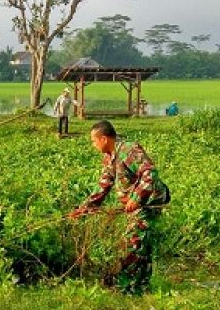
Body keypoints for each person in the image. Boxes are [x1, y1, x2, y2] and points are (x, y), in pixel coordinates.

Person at [69, 120, 170, 295]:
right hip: (137, 204)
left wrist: (136, 197)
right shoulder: (109, 157)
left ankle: (127, 289)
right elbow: (103, 185)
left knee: (132, 243)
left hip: (148, 202)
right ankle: (140, 288)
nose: (93, 145)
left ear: (104, 139)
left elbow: (150, 173)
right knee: (141, 246)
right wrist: (84, 208)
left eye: (94, 141)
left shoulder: (128, 150)